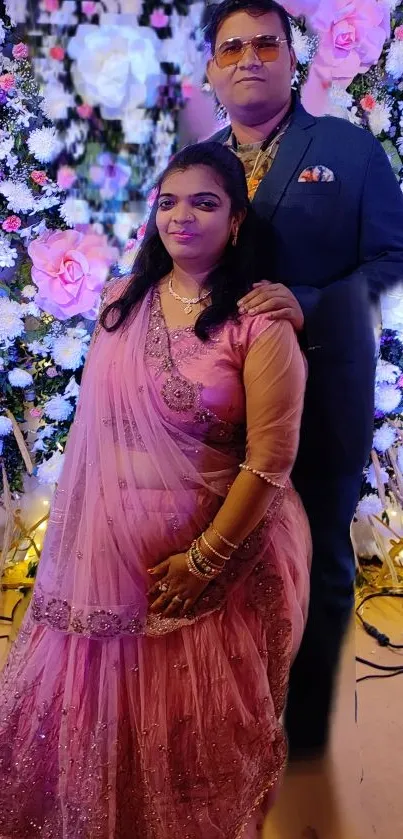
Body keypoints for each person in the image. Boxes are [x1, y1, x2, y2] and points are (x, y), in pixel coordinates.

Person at [0, 143, 310, 839]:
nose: (182, 216)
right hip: (108, 563)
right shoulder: (120, 303)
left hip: (210, 567)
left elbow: (270, 460)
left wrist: (204, 562)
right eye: (168, 202)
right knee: (96, 726)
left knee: (189, 732)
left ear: (234, 221)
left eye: (204, 202)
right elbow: (97, 440)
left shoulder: (259, 325)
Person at [202, 0, 403, 760]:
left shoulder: (347, 151)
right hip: (220, 401)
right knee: (229, 550)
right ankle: (232, 716)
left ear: (293, 59)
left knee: (317, 552)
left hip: (323, 389)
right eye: (231, 48)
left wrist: (310, 304)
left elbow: (392, 260)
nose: (248, 58)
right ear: (212, 71)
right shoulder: (203, 168)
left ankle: (303, 734)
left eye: (264, 44)